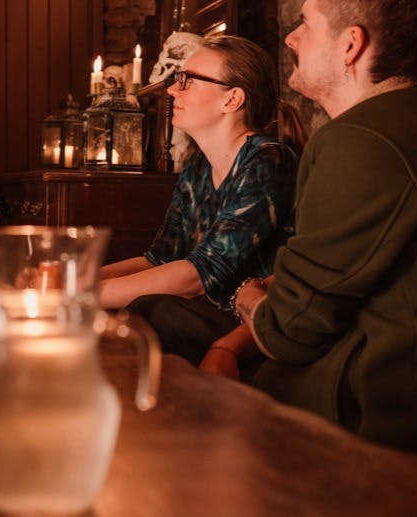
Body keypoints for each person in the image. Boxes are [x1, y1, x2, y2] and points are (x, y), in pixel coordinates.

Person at [201, 0, 417, 484]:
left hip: (393, 439)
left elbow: (288, 331)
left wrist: (244, 293)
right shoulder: (401, 130)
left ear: (351, 45)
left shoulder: (364, 142)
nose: (291, 38)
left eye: (306, 24)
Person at [99, 34, 302, 365]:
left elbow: (198, 276)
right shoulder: (197, 163)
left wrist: (81, 297)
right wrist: (81, 278)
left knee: (149, 311)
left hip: (253, 332)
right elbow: (160, 258)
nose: (172, 90)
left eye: (188, 81)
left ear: (231, 99)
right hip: (200, 318)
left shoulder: (267, 162)